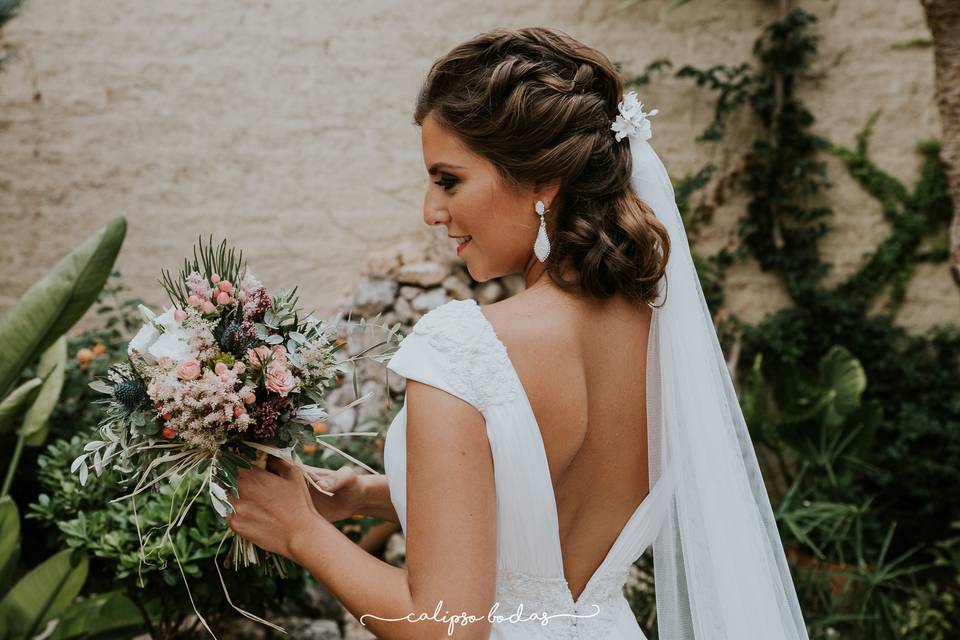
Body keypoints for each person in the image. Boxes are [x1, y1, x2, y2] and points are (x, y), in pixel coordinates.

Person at [227, 26, 810, 640]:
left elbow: (444, 629)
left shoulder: (464, 347)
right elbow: (535, 503)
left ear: (542, 182)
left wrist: (300, 530)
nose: (431, 209)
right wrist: (368, 497)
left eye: (448, 179)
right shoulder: (656, 332)